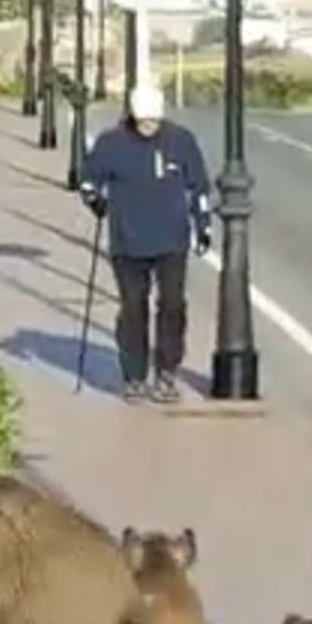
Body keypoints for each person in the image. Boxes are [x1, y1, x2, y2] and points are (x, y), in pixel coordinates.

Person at [76, 84, 214, 404]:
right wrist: (94, 198)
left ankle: (167, 371)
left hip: (172, 239)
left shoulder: (181, 141)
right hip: (128, 242)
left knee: (173, 306)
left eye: (154, 120)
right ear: (133, 116)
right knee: (133, 308)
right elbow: (88, 179)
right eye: (143, 121)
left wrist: (203, 226)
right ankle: (134, 375)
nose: (149, 127)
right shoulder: (112, 143)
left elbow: (199, 187)